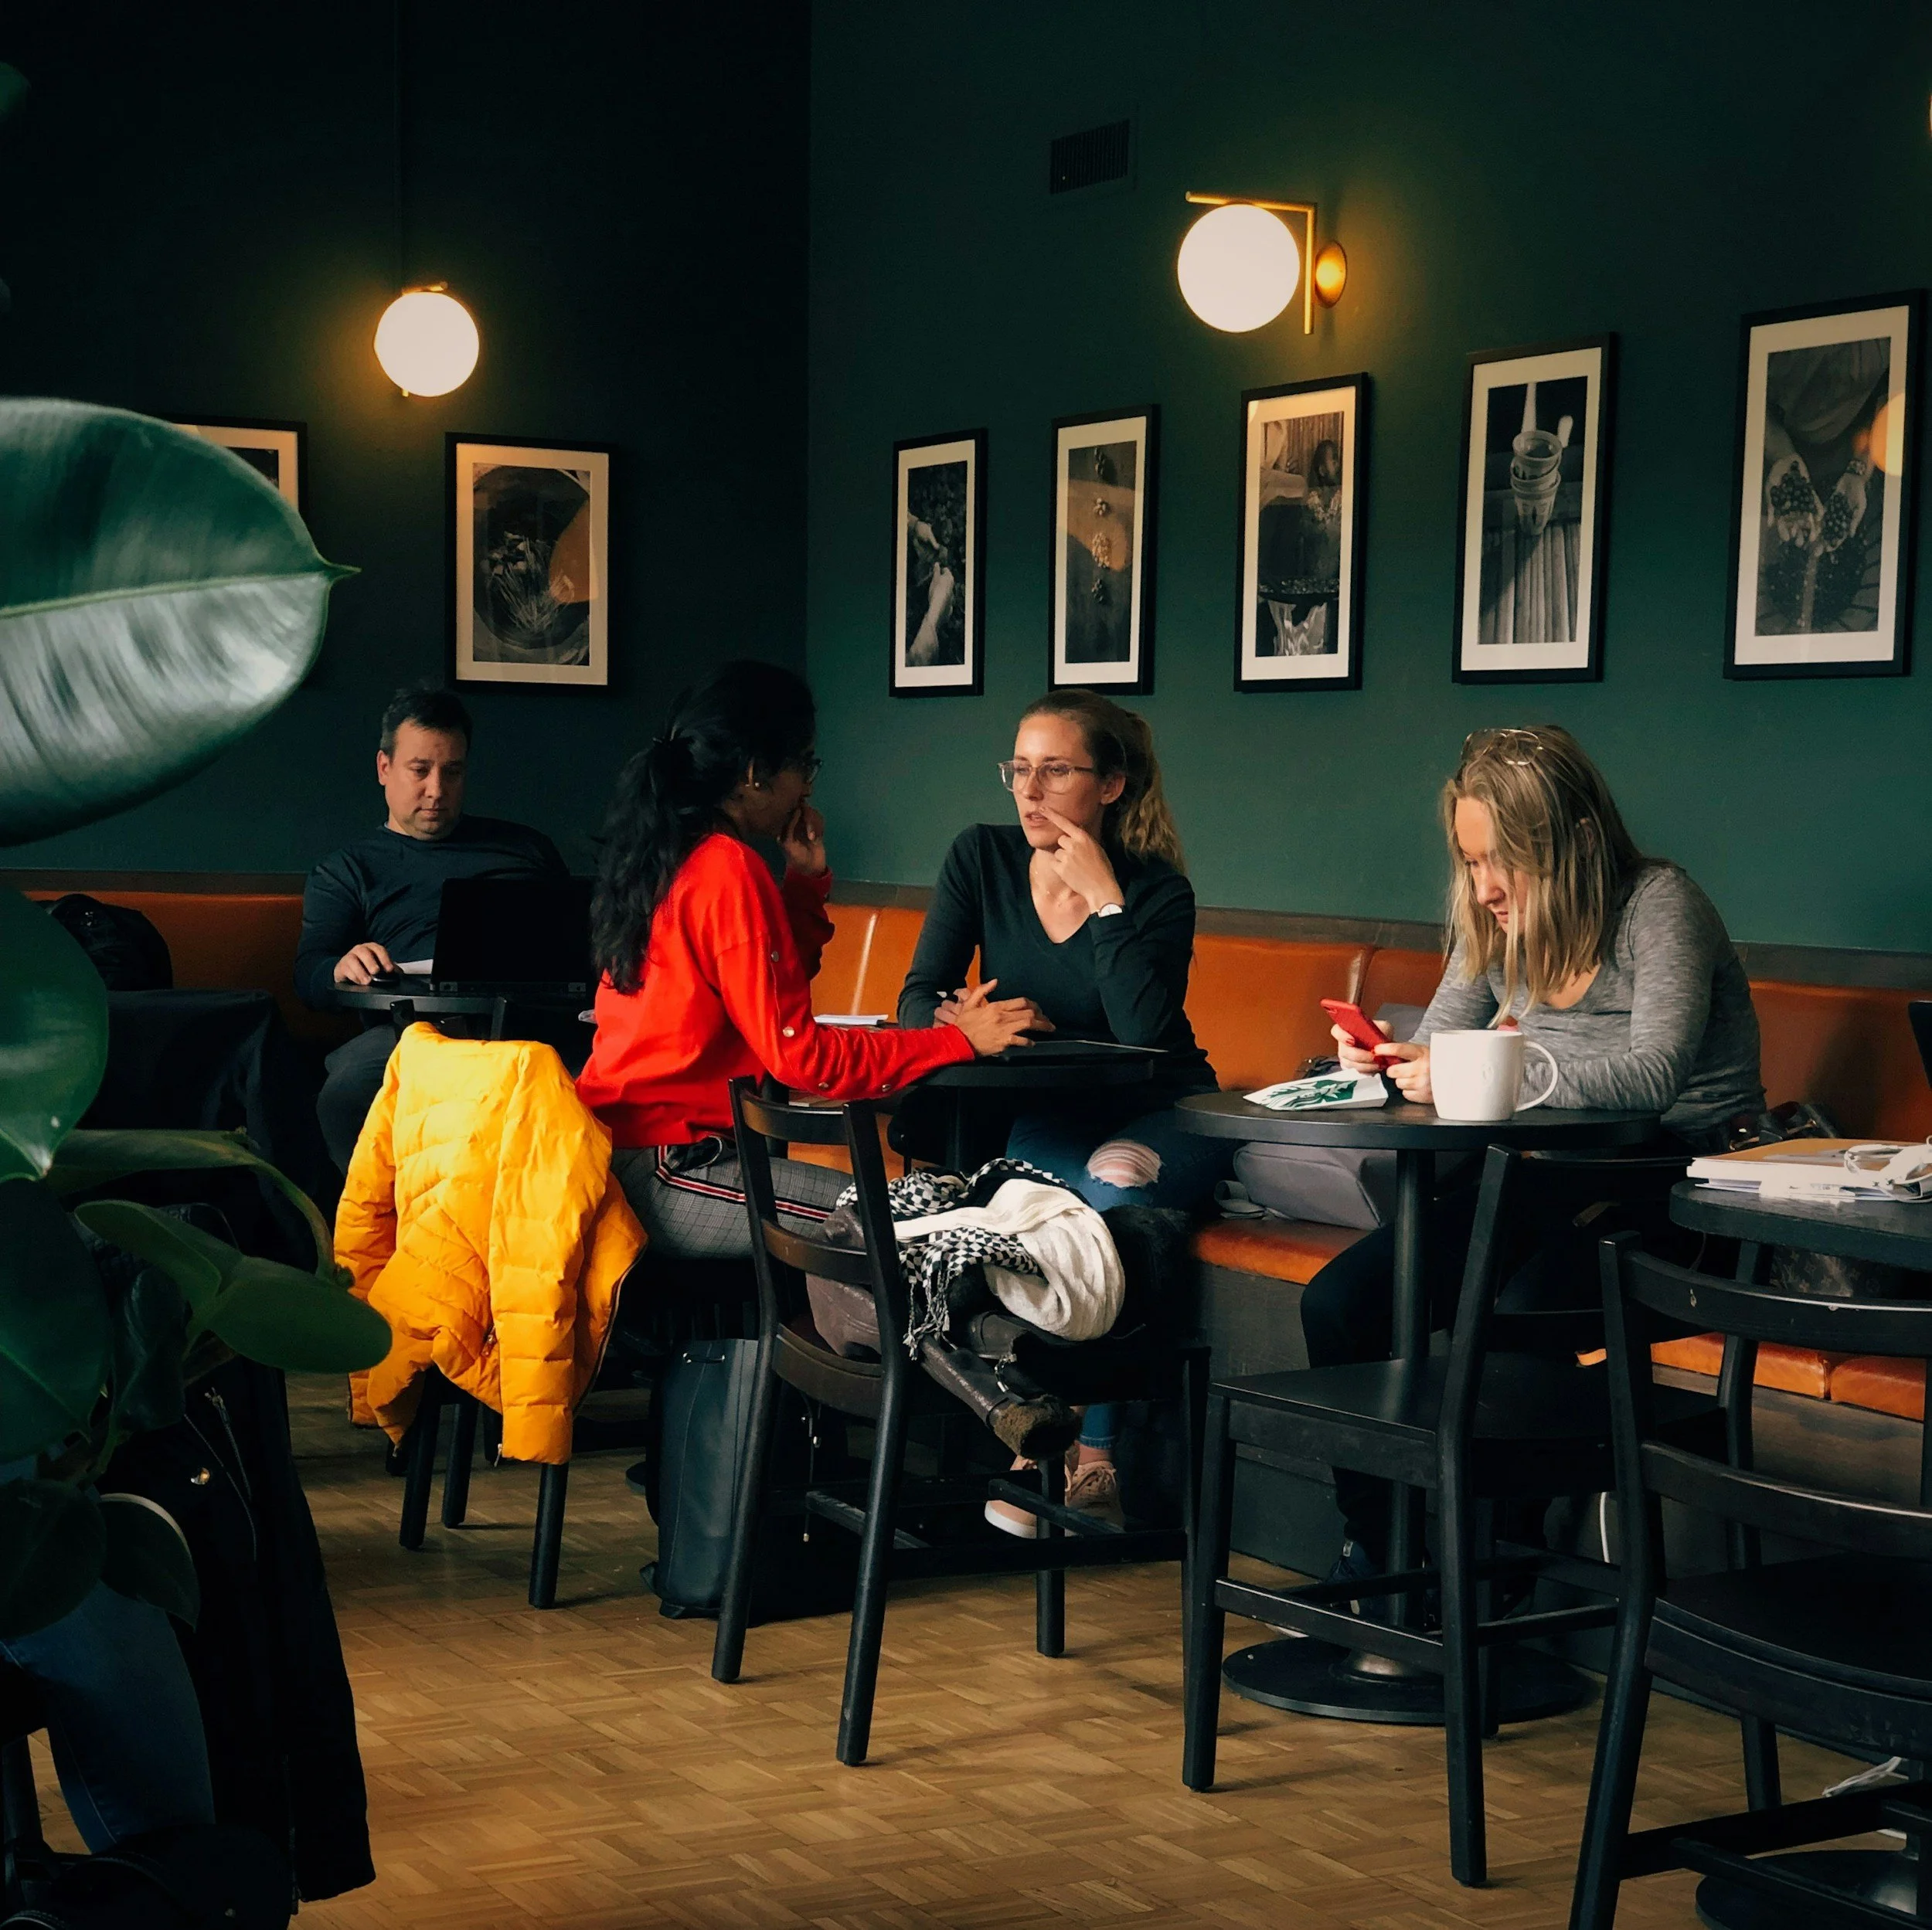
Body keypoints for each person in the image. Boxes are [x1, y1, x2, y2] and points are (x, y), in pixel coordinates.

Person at [1309, 722, 1764, 1578]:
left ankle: (1497, 1562)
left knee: (1511, 1305)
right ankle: (1382, 1553)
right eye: (1469, 861)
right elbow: (1440, 1039)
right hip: (1526, 1184)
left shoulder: (1658, 904)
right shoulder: (1495, 927)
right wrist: (1385, 1060)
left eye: (1500, 861)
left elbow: (1654, 1075)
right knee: (1341, 1304)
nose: (1482, 888)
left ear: (1573, 843)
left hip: (1677, 1191)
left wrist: (1490, 1069)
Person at [576, 659, 1037, 1262]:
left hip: (623, 1157)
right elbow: (802, 1058)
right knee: (936, 1225)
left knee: (927, 1215)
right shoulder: (726, 868)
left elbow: (760, 988)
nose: (810, 787)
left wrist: (805, 879)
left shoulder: (674, 851)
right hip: (673, 1172)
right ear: (753, 774)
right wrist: (957, 1041)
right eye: (805, 764)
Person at [899, 689, 1227, 1527]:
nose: (1029, 790)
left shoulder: (1157, 892)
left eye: (1054, 770)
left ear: (1110, 784)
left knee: (1111, 1188)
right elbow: (914, 999)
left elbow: (1145, 1030)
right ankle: (1040, 1419)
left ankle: (1093, 1457)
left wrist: (1105, 900)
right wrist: (968, 1020)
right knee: (1026, 1209)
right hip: (1051, 1110)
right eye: (1018, 768)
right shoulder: (981, 856)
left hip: (1163, 1110)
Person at [296, 684, 566, 1173]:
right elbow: (309, 975)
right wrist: (340, 964)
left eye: (453, 772)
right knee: (349, 1091)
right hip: (412, 1034)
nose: (437, 791)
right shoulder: (347, 870)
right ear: (385, 768)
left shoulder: (526, 850)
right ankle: (373, 1238)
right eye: (420, 771)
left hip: (532, 1030)